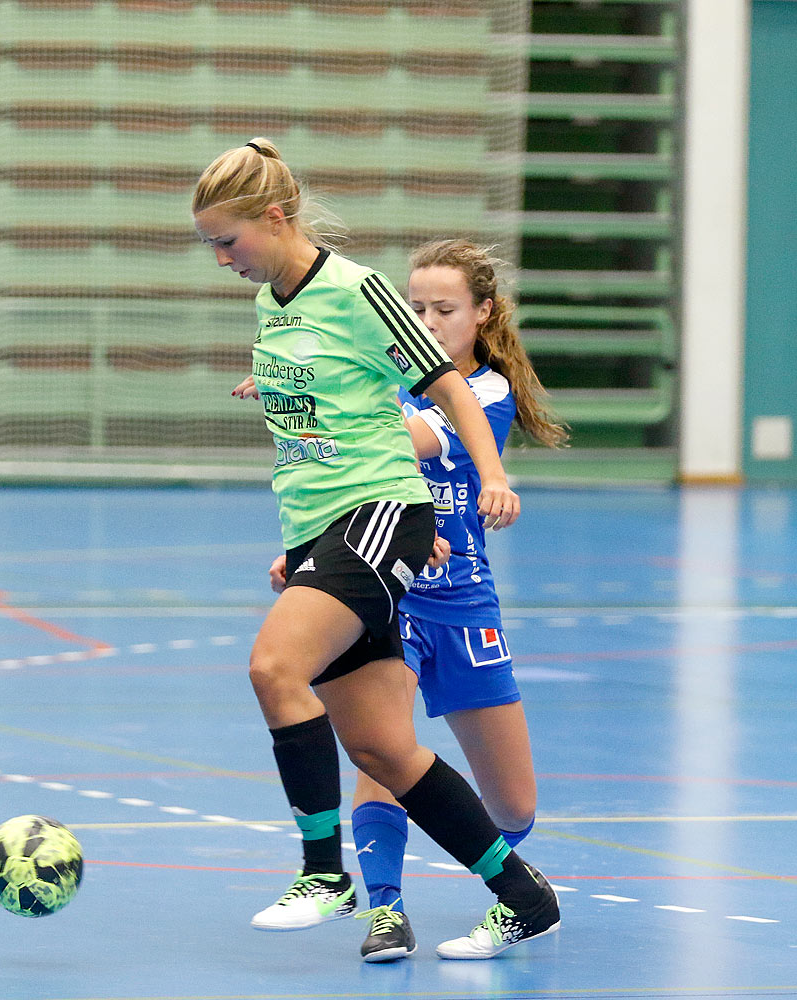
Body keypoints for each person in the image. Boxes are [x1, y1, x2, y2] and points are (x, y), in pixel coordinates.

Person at [194, 139, 560, 961]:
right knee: (381, 749)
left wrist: (493, 472)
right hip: (324, 524)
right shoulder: (271, 308)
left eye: (228, 241)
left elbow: (448, 387)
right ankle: (521, 893)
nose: (220, 259)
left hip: (385, 511)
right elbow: (330, 408)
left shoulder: (359, 289)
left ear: (275, 218)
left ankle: (324, 874)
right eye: (210, 244)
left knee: (272, 667)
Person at [335, 239, 568, 962]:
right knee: (381, 748)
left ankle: (519, 891)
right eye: (416, 307)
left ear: (482, 314)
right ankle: (384, 910)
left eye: (445, 309)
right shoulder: (377, 376)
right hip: (387, 596)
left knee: (513, 806)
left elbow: (407, 442)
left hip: (462, 603)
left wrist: (323, 398)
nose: (428, 321)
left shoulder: (483, 393)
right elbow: (341, 479)